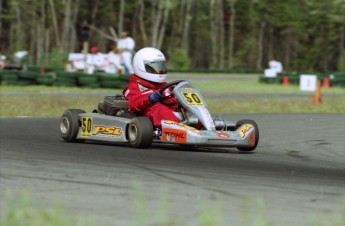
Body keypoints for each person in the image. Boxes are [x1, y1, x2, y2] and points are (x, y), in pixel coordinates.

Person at [122, 47, 179, 128]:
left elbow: (172, 101)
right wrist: (149, 98)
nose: (159, 70)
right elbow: (133, 103)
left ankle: (201, 125)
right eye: (154, 67)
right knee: (158, 108)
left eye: (160, 67)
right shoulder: (133, 87)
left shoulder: (163, 85)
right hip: (147, 117)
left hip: (172, 112)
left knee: (190, 107)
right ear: (140, 66)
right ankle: (177, 128)